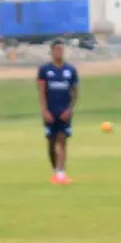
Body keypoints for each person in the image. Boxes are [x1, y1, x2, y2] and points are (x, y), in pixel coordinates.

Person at [37, 39, 79, 184]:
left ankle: (61, 172)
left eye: (61, 50)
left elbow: (75, 92)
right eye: (56, 50)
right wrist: (44, 110)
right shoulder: (44, 70)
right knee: (51, 142)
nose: (59, 52)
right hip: (50, 112)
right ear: (52, 51)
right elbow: (41, 92)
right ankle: (56, 170)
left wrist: (70, 109)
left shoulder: (70, 70)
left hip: (64, 112)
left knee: (62, 141)